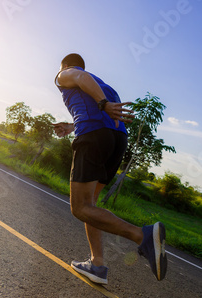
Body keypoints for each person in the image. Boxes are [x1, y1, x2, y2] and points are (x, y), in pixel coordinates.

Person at [53, 53, 167, 284]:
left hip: (94, 136)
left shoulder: (67, 74)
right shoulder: (104, 85)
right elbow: (99, 114)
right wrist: (73, 125)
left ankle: (141, 235)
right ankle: (97, 264)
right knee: (91, 205)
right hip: (116, 139)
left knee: (80, 208)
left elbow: (79, 76)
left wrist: (102, 104)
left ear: (64, 65)